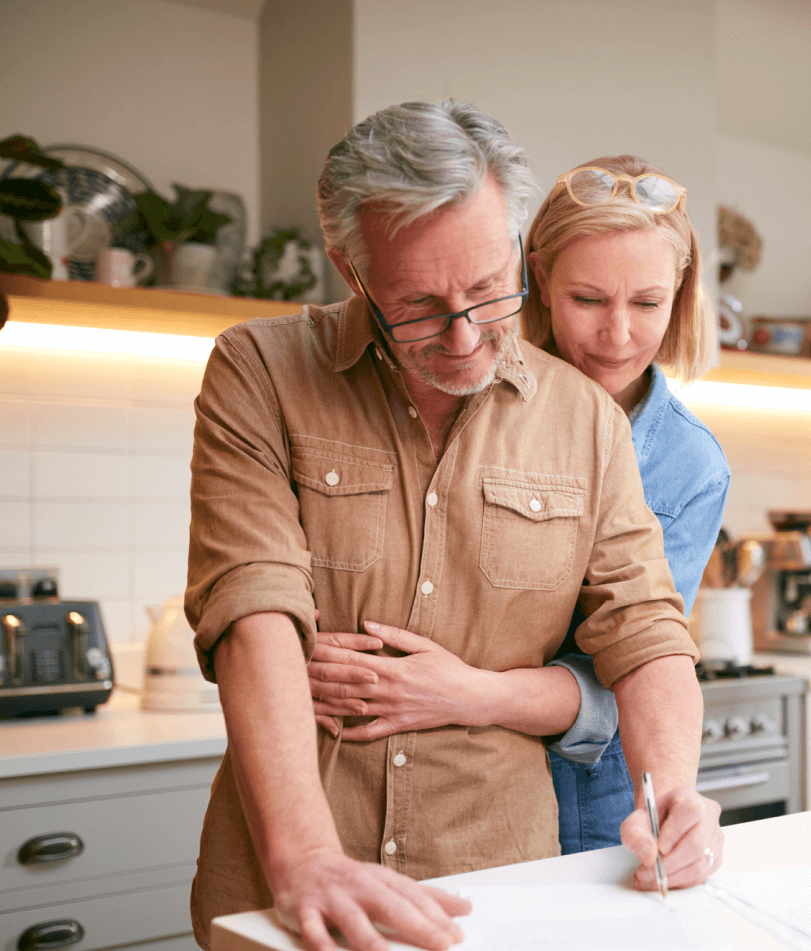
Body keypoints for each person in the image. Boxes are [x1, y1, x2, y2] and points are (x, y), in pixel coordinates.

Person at [185, 100, 720, 951]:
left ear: (517, 250)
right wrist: (306, 856)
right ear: (351, 266)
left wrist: (673, 793)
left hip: (498, 893)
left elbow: (645, 629)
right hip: (295, 896)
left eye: (487, 290)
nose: (467, 337)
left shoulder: (586, 420)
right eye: (421, 309)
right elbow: (253, 606)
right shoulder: (260, 372)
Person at [311, 156, 730, 857]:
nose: (618, 334)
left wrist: (467, 690)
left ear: (681, 294)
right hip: (425, 789)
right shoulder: (458, 379)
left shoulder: (689, 462)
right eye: (588, 300)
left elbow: (627, 666)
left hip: (596, 797)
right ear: (531, 276)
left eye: (647, 303)